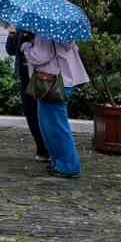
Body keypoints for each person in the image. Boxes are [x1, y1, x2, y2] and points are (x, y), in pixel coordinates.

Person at [22, 32, 88, 178]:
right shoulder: (62, 30)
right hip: (63, 80)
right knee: (52, 125)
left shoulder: (45, 32)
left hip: (51, 81)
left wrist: (26, 46)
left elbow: (40, 56)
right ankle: (60, 162)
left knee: (55, 126)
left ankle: (68, 166)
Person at [5, 29, 50, 161]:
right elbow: (10, 50)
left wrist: (29, 44)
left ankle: (50, 149)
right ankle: (41, 148)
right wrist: (12, 34)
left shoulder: (42, 30)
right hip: (25, 77)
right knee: (30, 114)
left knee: (44, 113)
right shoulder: (20, 28)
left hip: (41, 76)